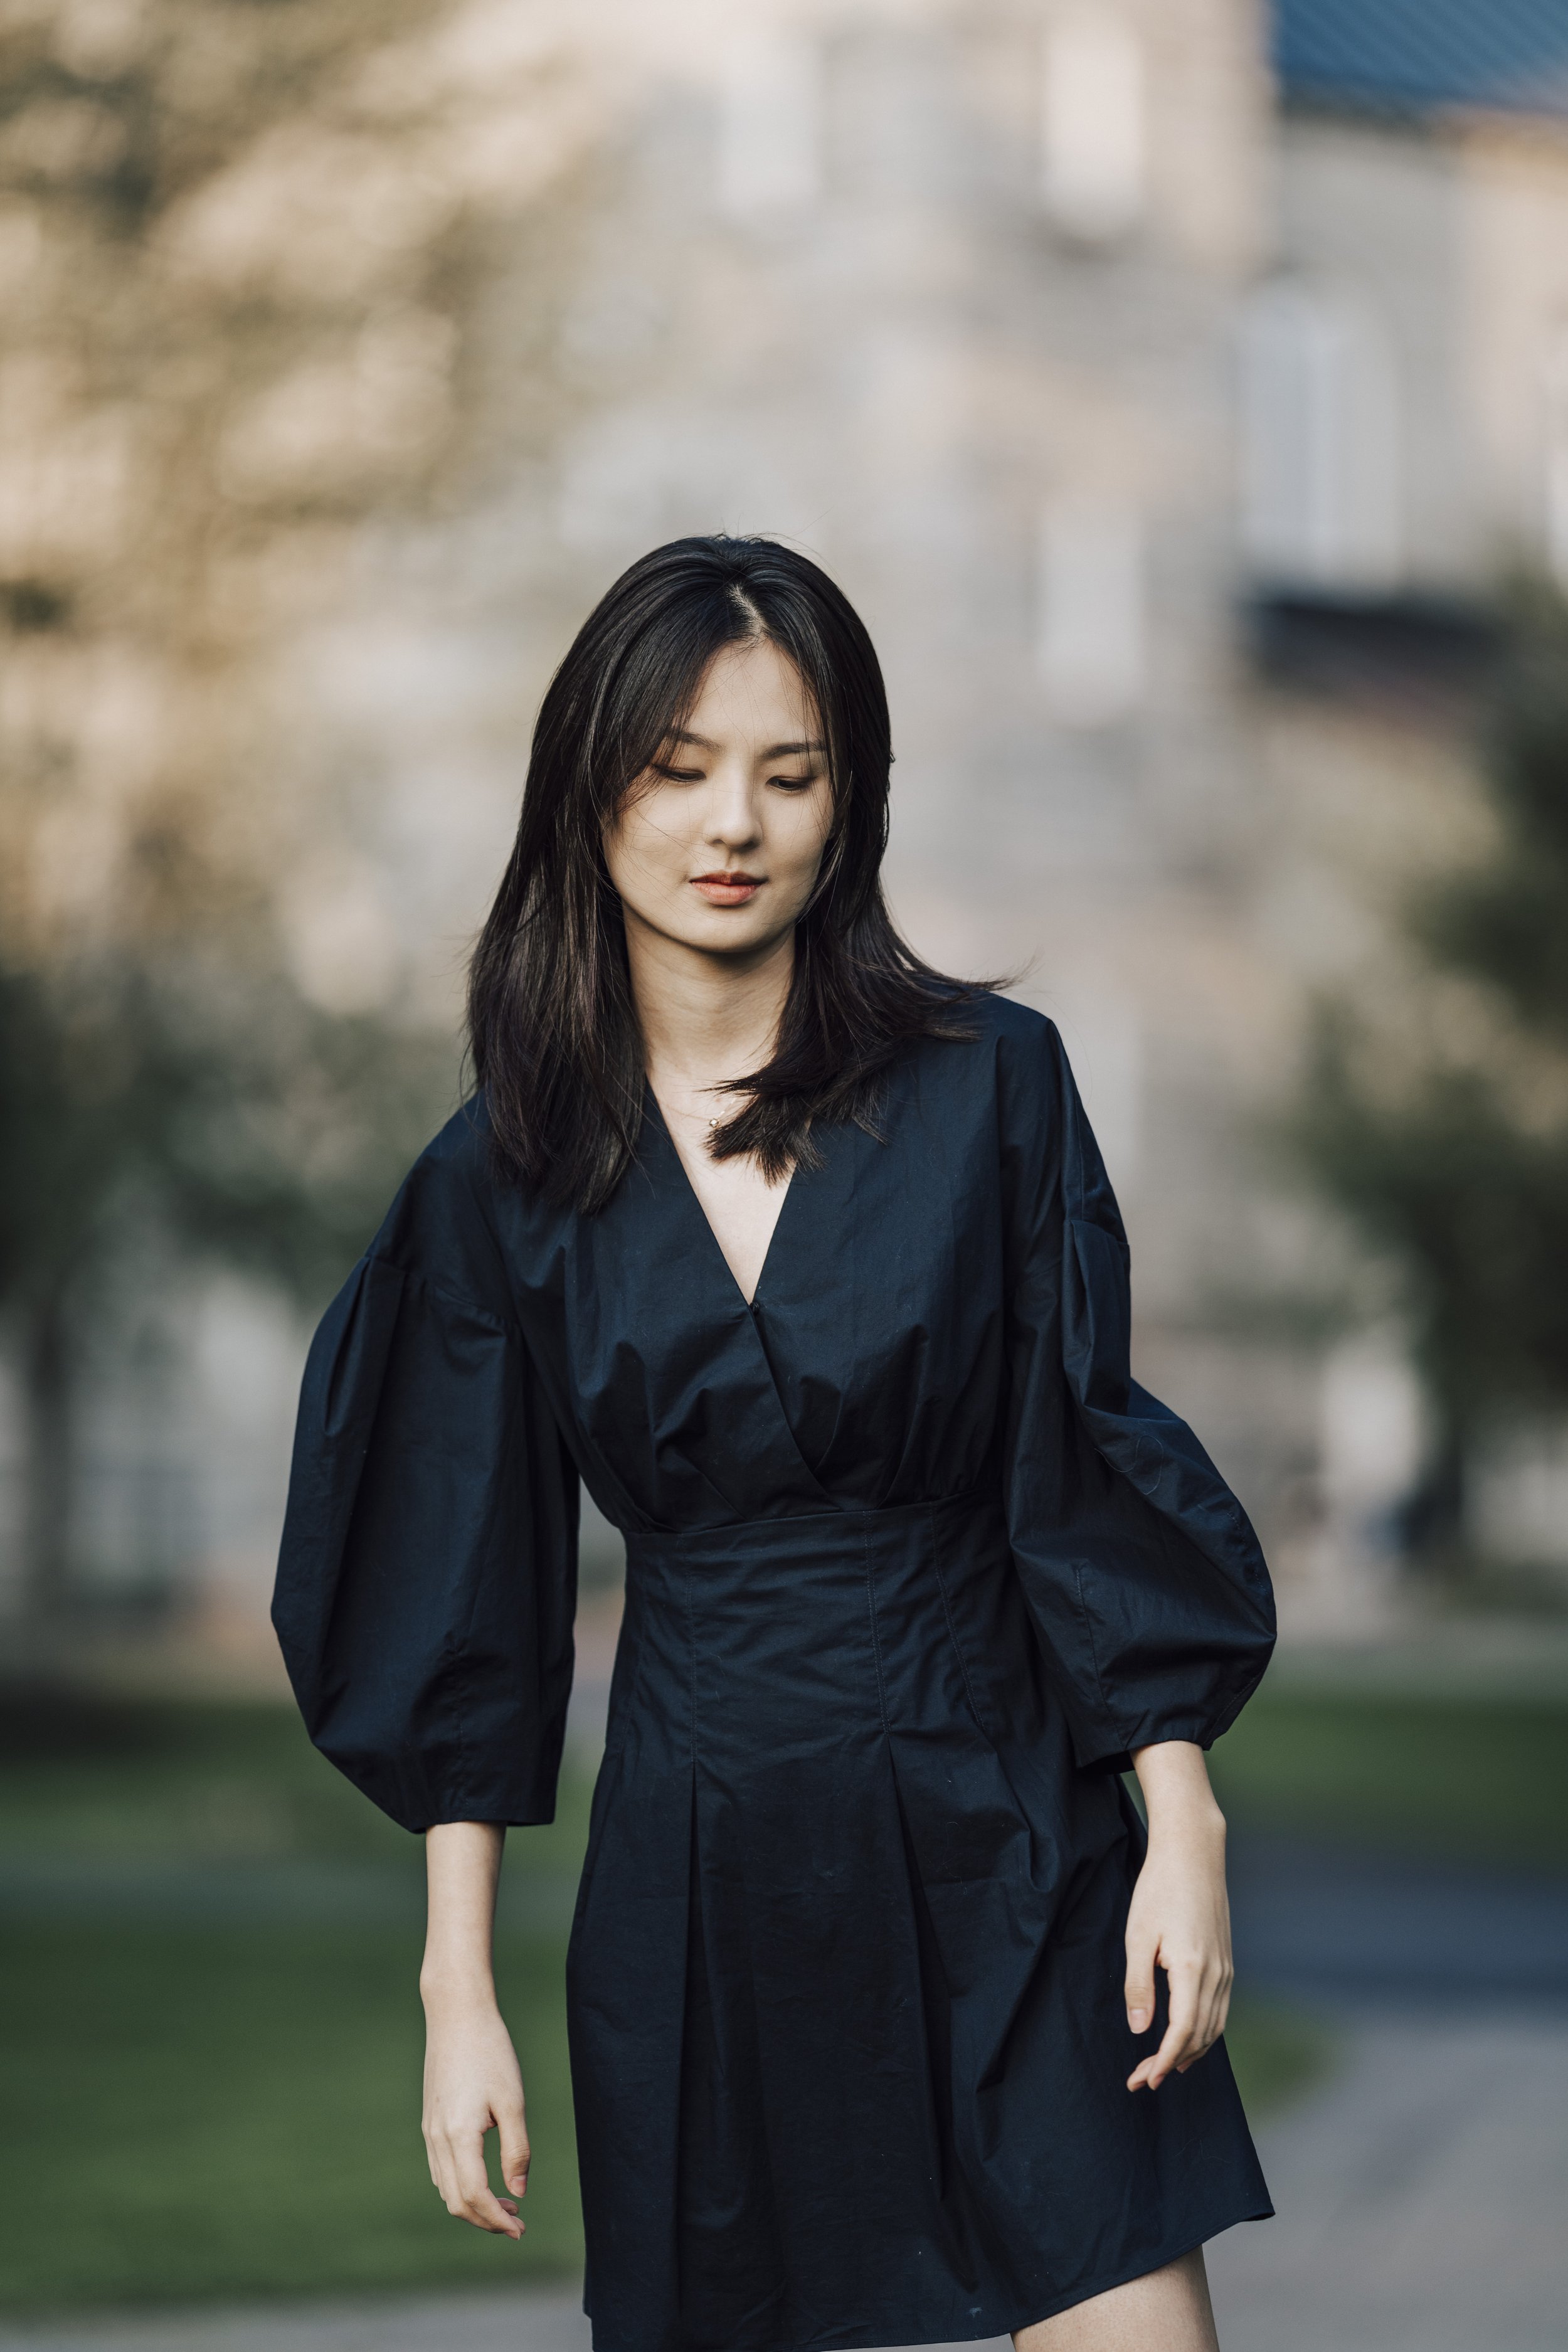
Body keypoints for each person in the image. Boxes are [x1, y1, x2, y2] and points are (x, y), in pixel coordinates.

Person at [273, 535, 1275, 2352]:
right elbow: (458, 1593)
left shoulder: (993, 1089)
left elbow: (1083, 1467)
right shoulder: (497, 1178)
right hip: (703, 1881)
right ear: (588, 792)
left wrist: (1181, 1826)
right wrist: (454, 1990)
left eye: (787, 773)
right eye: (676, 770)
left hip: (1014, 1849)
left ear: (848, 803)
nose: (729, 822)